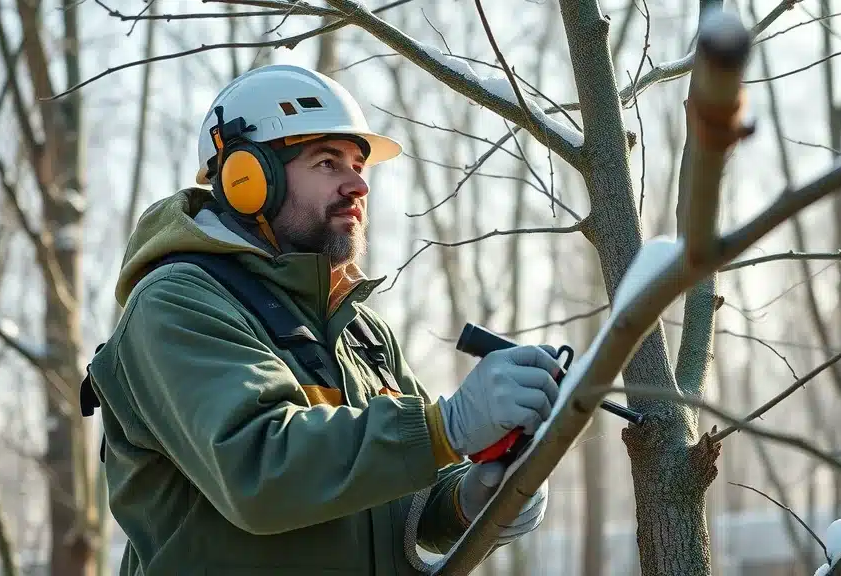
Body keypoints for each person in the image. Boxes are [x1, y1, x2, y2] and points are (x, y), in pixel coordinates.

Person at [83, 64, 561, 575]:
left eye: (359, 165)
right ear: (248, 179)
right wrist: (448, 427)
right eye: (329, 162)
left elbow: (401, 491)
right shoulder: (179, 302)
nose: (359, 185)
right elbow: (259, 470)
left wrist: (472, 500)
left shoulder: (360, 331)